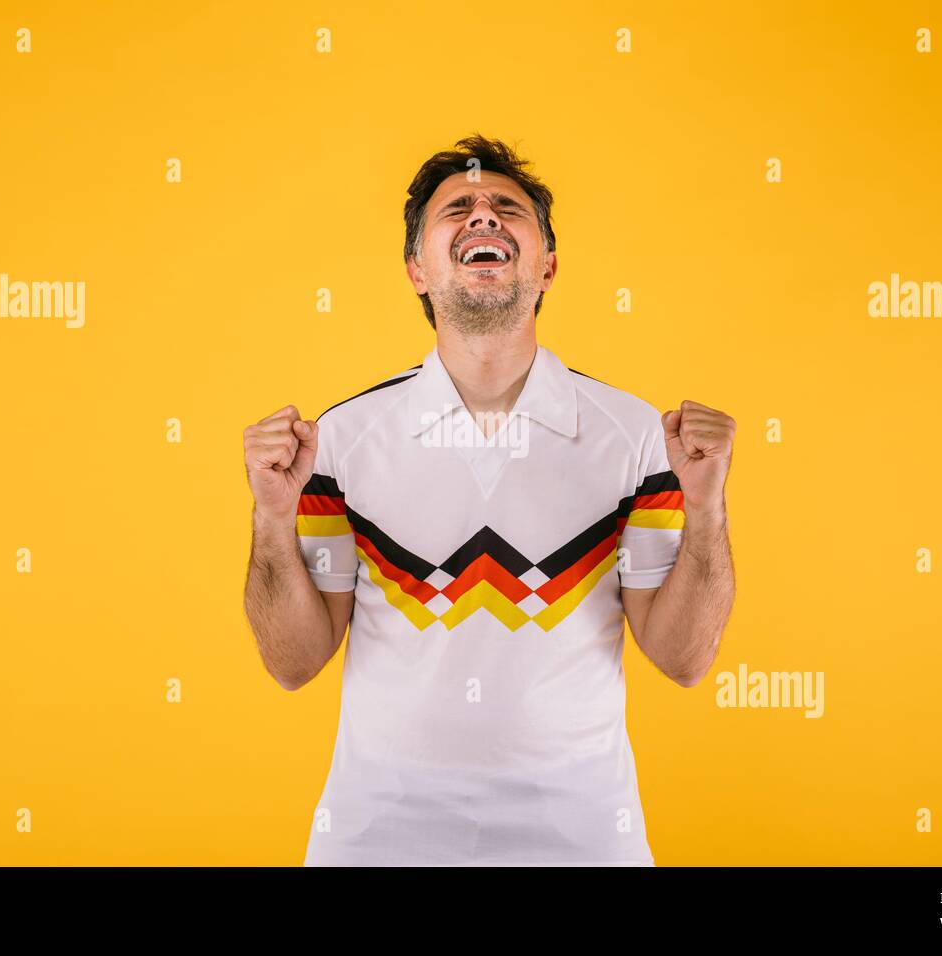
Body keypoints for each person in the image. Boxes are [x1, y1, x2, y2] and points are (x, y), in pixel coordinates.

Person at [243, 135, 736, 865]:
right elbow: (294, 662)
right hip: (377, 841)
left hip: (585, 840)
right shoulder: (340, 440)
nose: (484, 217)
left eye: (508, 208)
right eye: (458, 209)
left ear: (547, 266)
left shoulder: (634, 434)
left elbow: (683, 658)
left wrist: (708, 510)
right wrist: (271, 519)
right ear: (417, 269)